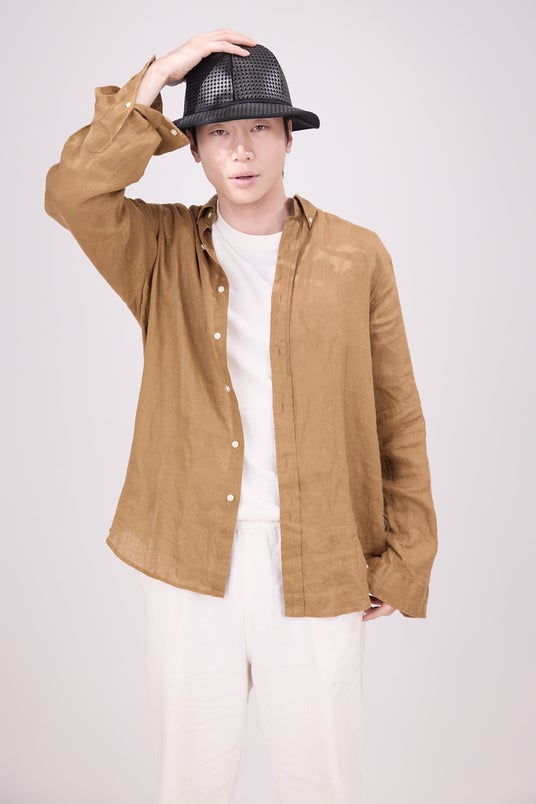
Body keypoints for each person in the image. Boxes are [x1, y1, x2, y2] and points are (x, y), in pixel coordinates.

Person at [45, 29, 438, 804]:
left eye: (260, 127)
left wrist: (406, 553)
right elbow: (72, 193)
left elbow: (397, 409)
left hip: (321, 554)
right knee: (190, 782)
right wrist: (158, 77)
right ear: (193, 149)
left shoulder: (357, 256)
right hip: (192, 559)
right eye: (220, 132)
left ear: (290, 136)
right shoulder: (158, 250)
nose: (243, 150)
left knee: (324, 784)